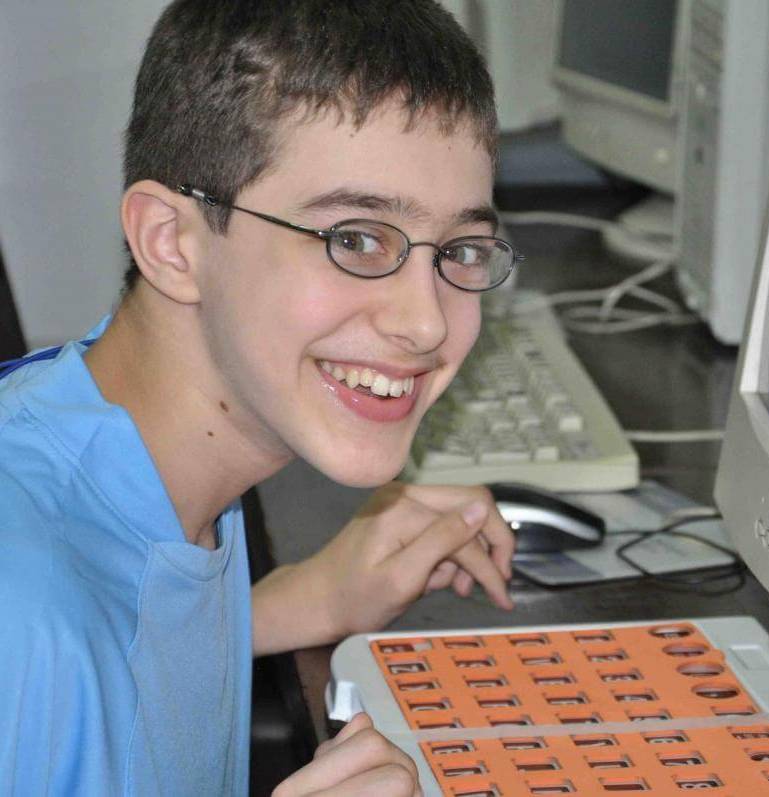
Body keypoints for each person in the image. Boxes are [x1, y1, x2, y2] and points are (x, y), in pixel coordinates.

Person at [0, 1, 519, 794]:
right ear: (172, 242)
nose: (424, 323)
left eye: (460, 249)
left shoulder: (146, 457)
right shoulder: (23, 609)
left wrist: (285, 605)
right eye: (355, 239)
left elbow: (113, 650)